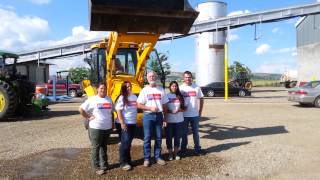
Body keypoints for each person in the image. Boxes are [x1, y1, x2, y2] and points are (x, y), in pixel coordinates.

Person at [79, 83, 113, 175]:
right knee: (96, 147)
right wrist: (88, 117)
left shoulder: (109, 99)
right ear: (97, 89)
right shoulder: (93, 99)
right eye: (101, 88)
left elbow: (112, 112)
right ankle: (95, 167)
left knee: (104, 146)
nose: (103, 90)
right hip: (96, 127)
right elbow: (81, 109)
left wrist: (112, 124)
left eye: (105, 88)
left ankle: (104, 165)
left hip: (107, 127)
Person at [137, 71, 169, 167]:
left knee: (159, 137)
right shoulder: (144, 90)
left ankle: (157, 157)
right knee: (147, 138)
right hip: (148, 116)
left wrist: (165, 118)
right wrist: (149, 108)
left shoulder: (161, 90)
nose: (152, 78)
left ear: (156, 77)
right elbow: (139, 104)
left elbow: (165, 105)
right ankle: (147, 158)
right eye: (150, 76)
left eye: (153, 76)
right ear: (147, 78)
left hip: (159, 116)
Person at [180, 71, 205, 156]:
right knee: (184, 133)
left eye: (189, 77)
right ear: (183, 78)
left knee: (195, 133)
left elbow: (201, 99)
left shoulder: (196, 87)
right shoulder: (180, 88)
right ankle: (183, 150)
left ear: (192, 78)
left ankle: (197, 149)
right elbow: (177, 100)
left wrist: (200, 111)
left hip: (194, 115)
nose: (188, 79)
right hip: (184, 115)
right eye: (186, 77)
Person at [115, 81, 137, 171]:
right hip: (124, 123)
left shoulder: (134, 96)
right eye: (126, 87)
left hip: (133, 123)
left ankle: (128, 160)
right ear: (123, 88)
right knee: (125, 143)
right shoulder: (121, 97)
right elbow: (118, 110)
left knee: (128, 143)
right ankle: (123, 162)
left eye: (129, 86)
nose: (128, 88)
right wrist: (122, 123)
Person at [166, 81, 185, 161]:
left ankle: (176, 153)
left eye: (176, 86)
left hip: (179, 120)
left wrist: (179, 110)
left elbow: (184, 108)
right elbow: (164, 108)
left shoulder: (180, 96)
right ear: (170, 87)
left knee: (177, 137)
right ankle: (170, 153)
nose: (174, 87)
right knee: (169, 137)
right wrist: (171, 111)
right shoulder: (166, 96)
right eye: (173, 86)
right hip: (169, 120)